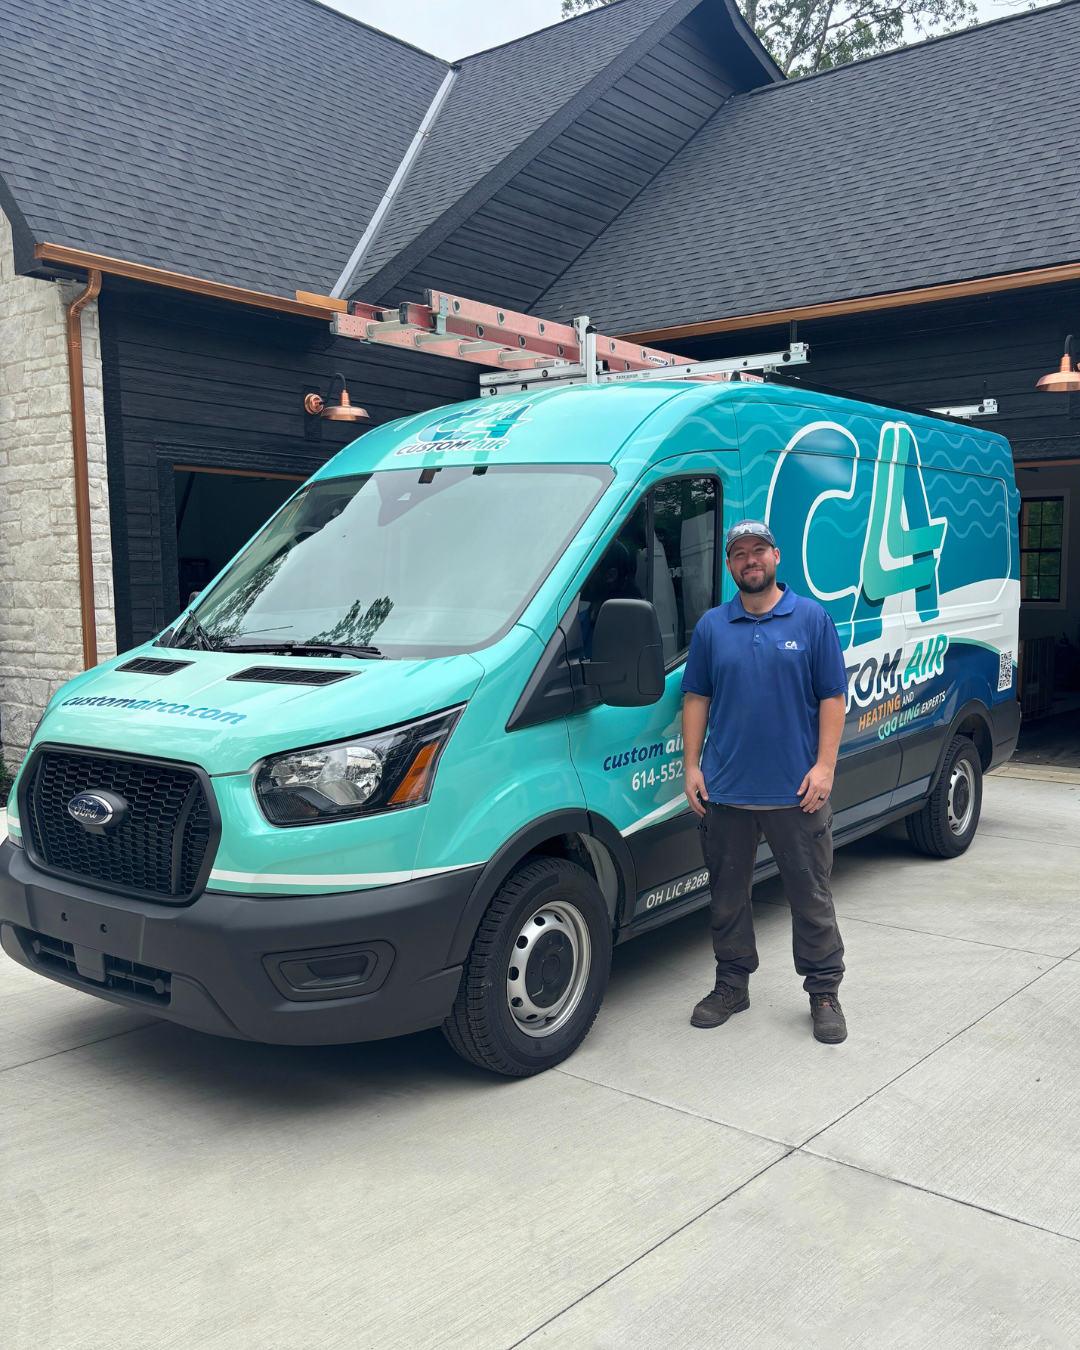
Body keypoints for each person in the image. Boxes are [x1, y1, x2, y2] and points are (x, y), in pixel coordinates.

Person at [680, 520, 850, 1044]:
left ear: (776, 557)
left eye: (758, 551)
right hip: (726, 790)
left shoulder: (812, 618)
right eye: (739, 554)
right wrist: (691, 767)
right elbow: (696, 699)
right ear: (729, 565)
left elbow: (832, 697)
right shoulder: (711, 626)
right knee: (727, 896)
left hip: (795, 791)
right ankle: (732, 984)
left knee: (810, 895)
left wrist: (824, 768)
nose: (749, 560)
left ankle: (823, 992)